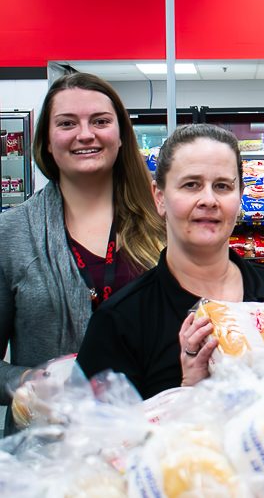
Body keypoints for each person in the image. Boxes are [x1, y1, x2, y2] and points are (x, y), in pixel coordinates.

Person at [76, 124, 264, 399]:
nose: (208, 199)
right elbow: (99, 436)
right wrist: (190, 390)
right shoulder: (119, 322)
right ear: (159, 197)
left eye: (222, 186)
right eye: (191, 184)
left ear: (240, 196)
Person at [0, 73, 164, 431]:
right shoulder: (10, 234)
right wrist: (27, 379)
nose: (85, 134)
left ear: (121, 137)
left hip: (155, 445)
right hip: (52, 457)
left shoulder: (162, 224)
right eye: (67, 123)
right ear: (46, 140)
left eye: (101, 121)